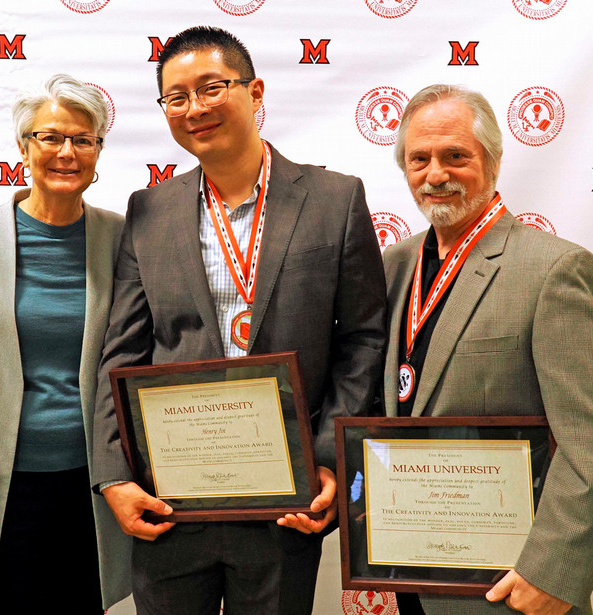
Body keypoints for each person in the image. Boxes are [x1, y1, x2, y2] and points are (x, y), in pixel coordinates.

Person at [91, 26, 386, 614]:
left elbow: (362, 341)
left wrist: (328, 457)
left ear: (254, 92)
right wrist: (113, 475)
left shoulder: (334, 199)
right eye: (176, 97)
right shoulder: (148, 209)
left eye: (211, 88)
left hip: (284, 498)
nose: (195, 109)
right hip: (170, 495)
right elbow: (121, 351)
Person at [382, 84, 593, 615]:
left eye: (456, 156)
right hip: (409, 572)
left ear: (492, 161)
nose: (435, 174)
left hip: (511, 588)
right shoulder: (391, 267)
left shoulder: (553, 270)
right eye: (418, 159)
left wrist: (552, 572)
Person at [0, 74, 130, 614]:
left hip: (94, 484)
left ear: (97, 153)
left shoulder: (124, 237)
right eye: (50, 137)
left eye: (83, 140)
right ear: (24, 148)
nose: (66, 152)